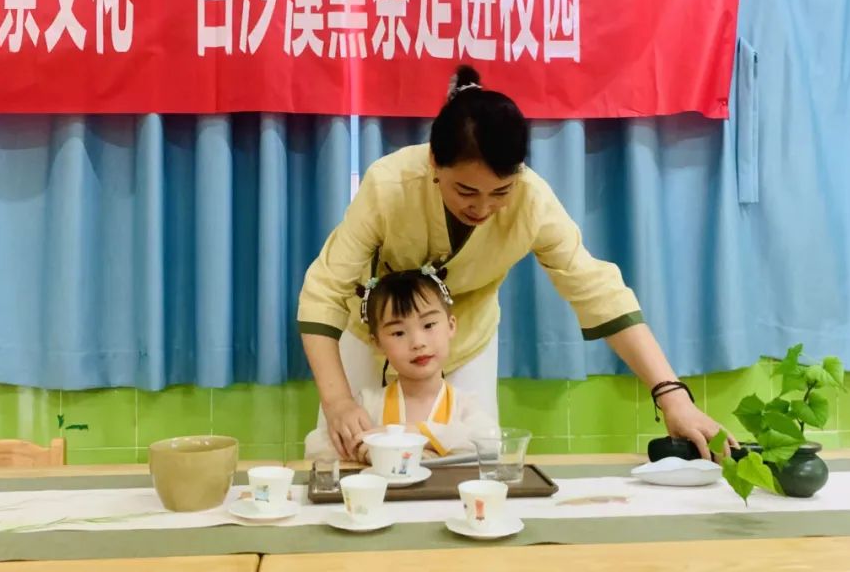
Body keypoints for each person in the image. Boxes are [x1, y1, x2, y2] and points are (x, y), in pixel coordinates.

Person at [298, 65, 732, 462]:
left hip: (464, 334)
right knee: (345, 452)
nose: (482, 208)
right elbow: (324, 290)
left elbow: (598, 290)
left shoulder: (533, 201)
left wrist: (672, 396)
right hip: (374, 331)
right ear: (434, 161)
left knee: (475, 462)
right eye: (466, 191)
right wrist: (338, 403)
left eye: (500, 192)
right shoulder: (389, 184)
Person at [305, 268, 497, 462]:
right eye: (398, 333)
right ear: (377, 343)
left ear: (451, 326)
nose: (418, 343)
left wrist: (408, 435)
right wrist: (364, 449)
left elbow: (491, 443)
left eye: (429, 325)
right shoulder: (369, 404)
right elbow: (315, 446)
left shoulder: (464, 405)